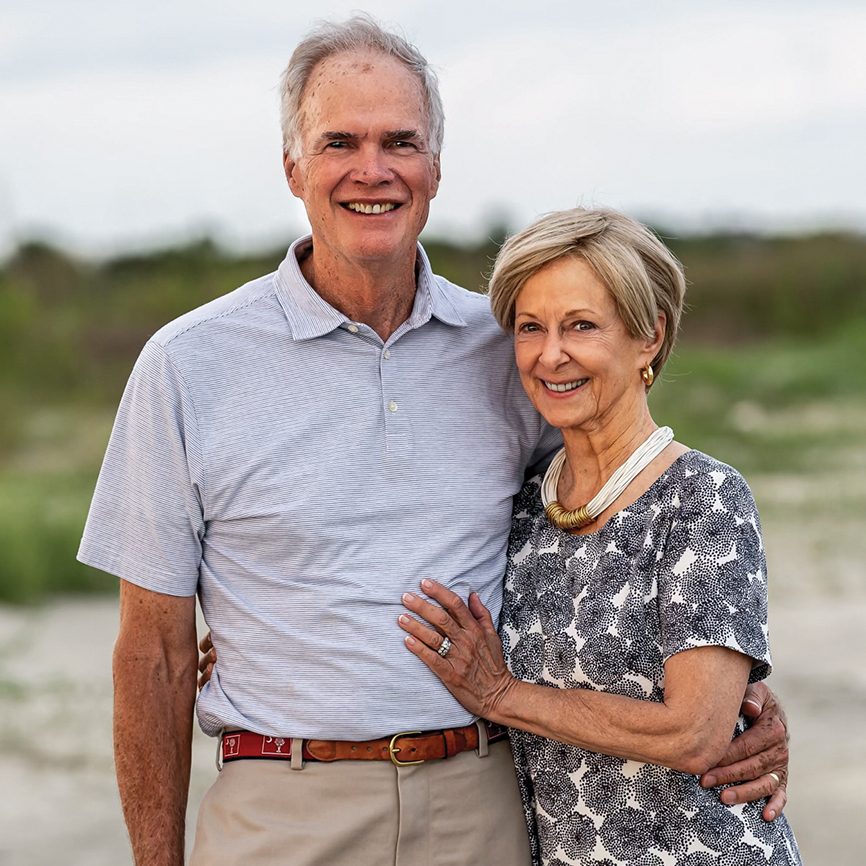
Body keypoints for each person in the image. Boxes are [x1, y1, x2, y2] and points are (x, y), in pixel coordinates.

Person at [78, 16, 789, 866]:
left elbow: (611, 527)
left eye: (400, 142)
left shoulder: (508, 350)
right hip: (282, 807)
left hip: (484, 802)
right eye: (339, 141)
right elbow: (152, 654)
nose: (371, 170)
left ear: (436, 170)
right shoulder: (186, 365)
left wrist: (739, 707)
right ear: (292, 167)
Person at [397, 207, 801, 864]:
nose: (550, 354)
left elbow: (696, 732)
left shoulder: (702, 497)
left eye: (581, 326)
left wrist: (503, 695)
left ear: (648, 337)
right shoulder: (526, 504)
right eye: (531, 328)